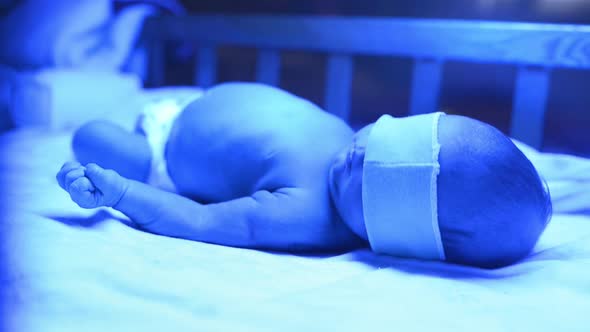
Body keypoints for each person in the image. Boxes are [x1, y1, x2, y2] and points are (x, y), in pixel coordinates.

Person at [56, 83, 552, 268]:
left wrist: (123, 192)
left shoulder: (305, 214)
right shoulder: (350, 150)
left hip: (161, 155)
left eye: (371, 176)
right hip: (190, 100)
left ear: (396, 234)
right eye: (375, 139)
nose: (355, 152)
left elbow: (201, 223)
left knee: (93, 137)